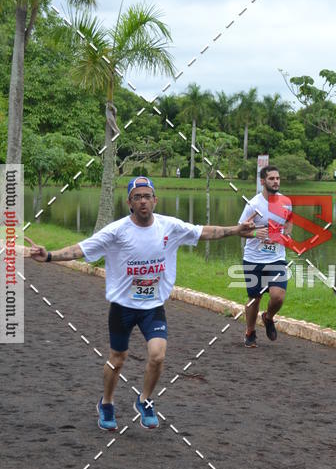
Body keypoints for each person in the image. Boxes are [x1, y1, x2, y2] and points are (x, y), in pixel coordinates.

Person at [27, 176, 256, 431]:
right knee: (118, 359)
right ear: (129, 203)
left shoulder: (169, 226)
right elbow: (81, 249)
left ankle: (144, 400)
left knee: (158, 356)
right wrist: (49, 256)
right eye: (137, 197)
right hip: (123, 307)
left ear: (155, 200)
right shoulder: (117, 231)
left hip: (153, 307)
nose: (143, 201)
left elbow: (203, 232)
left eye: (147, 196)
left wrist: (236, 230)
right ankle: (107, 402)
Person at [238, 165, 292, 348]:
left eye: (277, 178)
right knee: (255, 298)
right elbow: (240, 230)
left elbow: (289, 221)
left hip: (276, 258)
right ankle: (250, 332)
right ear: (263, 181)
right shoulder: (253, 205)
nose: (276, 181)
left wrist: (287, 235)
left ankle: (268, 318)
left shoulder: (286, 202)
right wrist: (254, 233)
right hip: (253, 259)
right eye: (271, 179)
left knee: (278, 296)